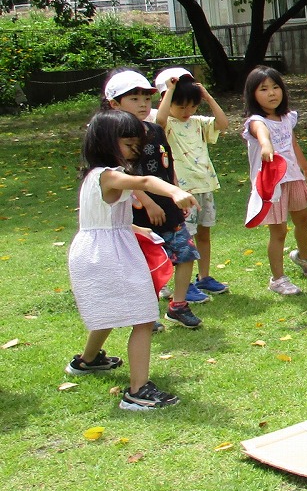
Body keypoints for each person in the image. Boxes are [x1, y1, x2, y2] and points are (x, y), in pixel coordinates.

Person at [66, 109, 197, 410]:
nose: (134, 151)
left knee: (111, 308)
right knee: (142, 317)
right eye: (128, 144)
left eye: (136, 144)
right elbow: (148, 182)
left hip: (96, 250)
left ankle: (87, 361)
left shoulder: (92, 177)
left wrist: (135, 228)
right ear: (105, 143)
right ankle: (137, 391)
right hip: (108, 255)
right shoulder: (111, 175)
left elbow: (102, 217)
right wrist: (175, 191)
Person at [100, 69, 202, 328]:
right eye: (134, 99)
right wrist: (148, 201)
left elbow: (167, 164)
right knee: (144, 263)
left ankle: (178, 305)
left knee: (186, 253)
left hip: (168, 202)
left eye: (146, 98)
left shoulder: (155, 129)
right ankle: (144, 312)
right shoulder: (114, 137)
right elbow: (124, 175)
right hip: (138, 209)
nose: (143, 104)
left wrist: (179, 192)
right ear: (114, 104)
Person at [242, 65, 307, 295]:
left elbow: (292, 143)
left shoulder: (287, 118)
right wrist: (266, 146)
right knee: (278, 231)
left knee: (303, 219)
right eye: (264, 89)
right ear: (253, 94)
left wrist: (306, 168)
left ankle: (303, 257)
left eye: (276, 87)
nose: (272, 93)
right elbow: (262, 134)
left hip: (293, 177)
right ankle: (278, 279)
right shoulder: (256, 121)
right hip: (272, 183)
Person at [155, 69, 232, 296]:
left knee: (204, 233)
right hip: (182, 191)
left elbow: (223, 123)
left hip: (204, 186)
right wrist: (169, 90)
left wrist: (207, 97)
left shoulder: (197, 122)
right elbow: (159, 120)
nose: (187, 111)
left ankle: (204, 277)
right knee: (183, 239)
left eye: (192, 106)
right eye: (181, 106)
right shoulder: (166, 123)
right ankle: (183, 284)